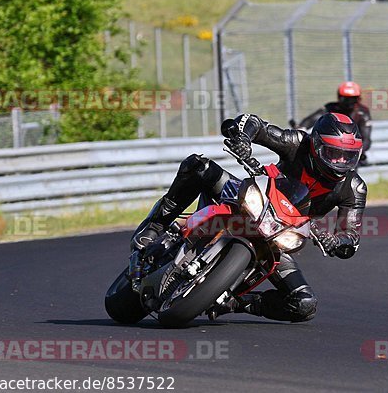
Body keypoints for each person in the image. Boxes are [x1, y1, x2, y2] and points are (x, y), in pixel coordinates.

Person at [131, 112, 367, 323]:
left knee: (304, 304)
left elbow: (351, 237)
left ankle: (234, 302)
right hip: (251, 198)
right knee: (199, 166)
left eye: (348, 156)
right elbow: (254, 123)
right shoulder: (298, 143)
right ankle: (155, 226)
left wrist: (336, 242)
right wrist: (243, 139)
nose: (340, 162)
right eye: (333, 153)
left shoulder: (354, 188)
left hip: (280, 235)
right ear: (316, 145)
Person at [297, 81, 372, 164]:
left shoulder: (362, 112)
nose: (349, 102)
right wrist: (301, 128)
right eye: (345, 99)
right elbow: (313, 118)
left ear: (358, 99)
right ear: (339, 97)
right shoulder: (331, 108)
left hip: (351, 150)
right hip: (330, 149)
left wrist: (358, 151)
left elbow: (366, 138)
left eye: (353, 99)